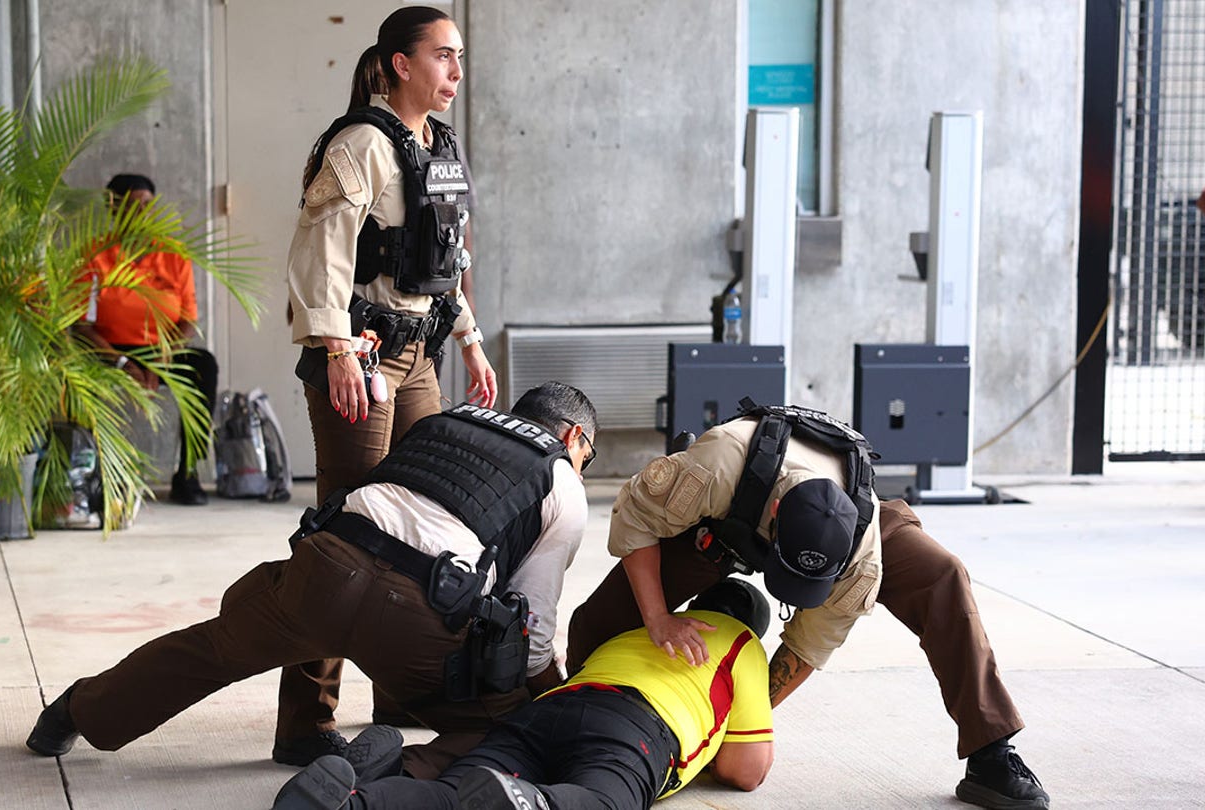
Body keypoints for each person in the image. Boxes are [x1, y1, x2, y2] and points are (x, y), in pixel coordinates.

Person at [25, 382, 597, 782]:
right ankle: (371, 782)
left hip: (324, 568)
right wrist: (548, 701)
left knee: (212, 649)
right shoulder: (560, 482)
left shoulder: (444, 421)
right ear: (571, 437)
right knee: (509, 733)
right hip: (416, 618)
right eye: (587, 456)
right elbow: (534, 635)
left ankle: (75, 712)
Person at [565, 402, 1050, 810]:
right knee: (598, 623)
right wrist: (658, 619)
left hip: (839, 516)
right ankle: (571, 713)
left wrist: (738, 723)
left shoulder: (861, 556)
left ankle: (991, 752)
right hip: (724, 520)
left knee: (943, 575)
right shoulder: (717, 464)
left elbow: (806, 648)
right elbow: (637, 515)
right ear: (775, 515)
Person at [280, 5, 498, 768]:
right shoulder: (359, 146)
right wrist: (336, 346)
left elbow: (442, 259)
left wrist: (469, 339)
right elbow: (323, 259)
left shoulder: (437, 146)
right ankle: (306, 718)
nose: (456, 74)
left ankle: (403, 694)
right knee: (345, 534)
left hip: (422, 358)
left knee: (421, 521)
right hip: (363, 356)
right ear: (400, 63)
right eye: (443, 57)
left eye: (459, 57)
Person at [273, 578, 775, 810]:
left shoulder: (642, 630)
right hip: (638, 730)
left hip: (549, 709)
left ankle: (352, 802)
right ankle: (535, 805)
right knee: (605, 800)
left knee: (452, 796)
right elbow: (743, 770)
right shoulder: (743, 643)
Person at [75, 173, 218, 506]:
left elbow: (187, 321)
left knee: (204, 366)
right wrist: (123, 362)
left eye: (148, 205)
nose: (143, 213)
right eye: (134, 205)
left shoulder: (173, 254)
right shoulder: (95, 256)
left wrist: (161, 361)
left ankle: (188, 474)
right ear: (114, 208)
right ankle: (96, 477)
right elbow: (82, 327)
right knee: (75, 368)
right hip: (108, 350)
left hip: (160, 351)